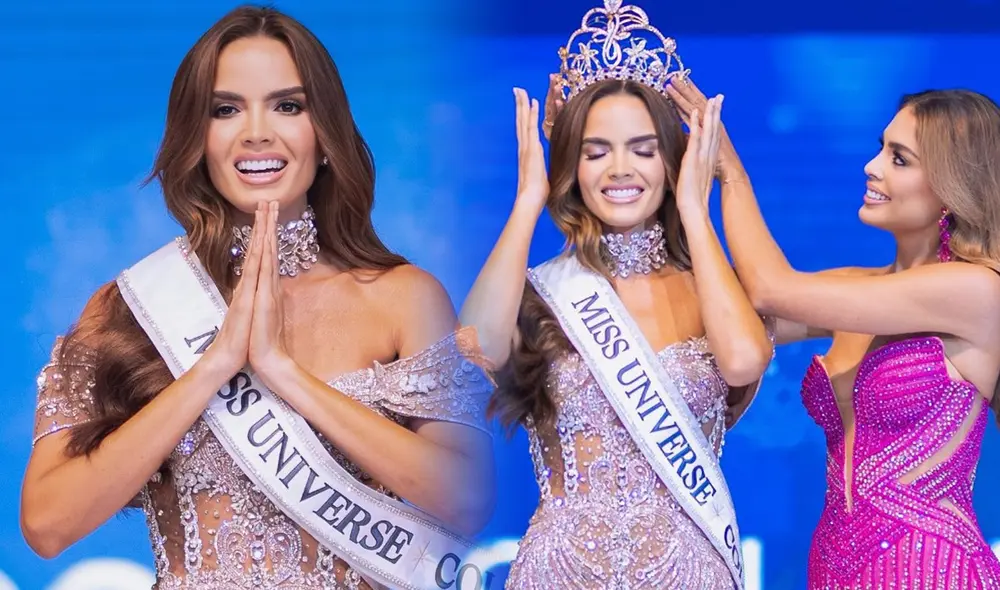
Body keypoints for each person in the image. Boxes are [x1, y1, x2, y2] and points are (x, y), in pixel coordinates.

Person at [21, 6, 495, 590]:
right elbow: (47, 525)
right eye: (225, 110)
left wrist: (282, 372)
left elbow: (468, 499)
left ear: (325, 136)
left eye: (287, 106)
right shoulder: (133, 307)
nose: (257, 132)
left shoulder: (402, 298)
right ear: (197, 137)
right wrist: (214, 366)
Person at [458, 1, 773, 588]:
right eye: (596, 151)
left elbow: (744, 360)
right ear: (573, 166)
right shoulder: (546, 293)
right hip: (562, 573)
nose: (620, 168)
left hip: (688, 570)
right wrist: (530, 196)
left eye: (644, 149)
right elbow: (473, 345)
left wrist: (695, 213)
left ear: (673, 161)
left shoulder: (709, 286)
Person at [667, 79, 1000, 588]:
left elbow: (770, 290)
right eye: (880, 149)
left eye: (899, 159)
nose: (872, 166)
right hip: (832, 563)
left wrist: (729, 176)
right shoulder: (858, 290)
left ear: (951, 189)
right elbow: (732, 315)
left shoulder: (976, 290)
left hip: (930, 567)